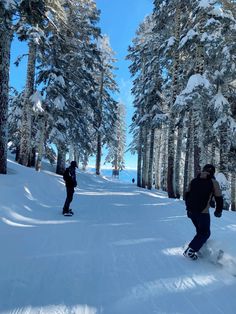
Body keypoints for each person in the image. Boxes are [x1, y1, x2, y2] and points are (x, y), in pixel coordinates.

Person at [183, 164, 223, 260]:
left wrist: (188, 209)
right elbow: (219, 198)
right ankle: (191, 250)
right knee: (205, 233)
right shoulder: (213, 182)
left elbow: (186, 195)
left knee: (200, 232)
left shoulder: (194, 181)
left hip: (191, 212)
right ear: (212, 172)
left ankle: (200, 248)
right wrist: (218, 211)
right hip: (202, 212)